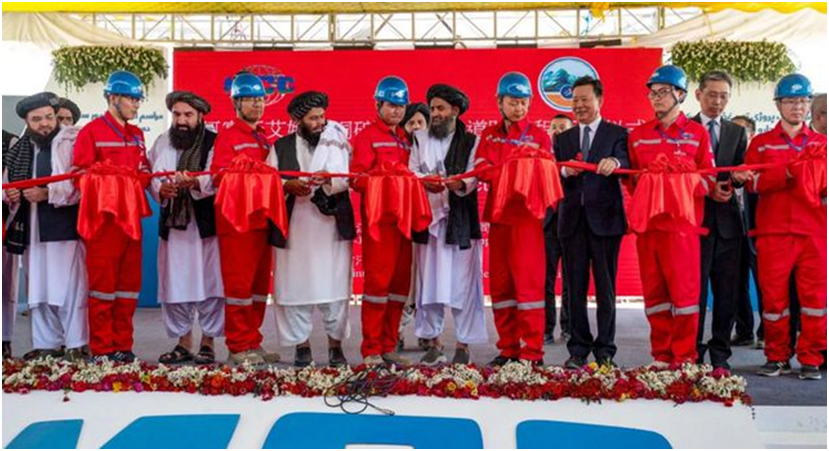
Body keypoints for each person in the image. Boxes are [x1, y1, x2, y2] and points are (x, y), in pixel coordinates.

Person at [627, 65, 716, 367]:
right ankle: (662, 357)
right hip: (649, 230)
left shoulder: (697, 134)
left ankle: (685, 356)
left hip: (682, 230)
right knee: (655, 297)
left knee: (685, 297)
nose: (656, 97)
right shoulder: (638, 136)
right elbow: (631, 182)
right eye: (653, 93)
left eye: (663, 92)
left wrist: (682, 180)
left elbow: (709, 181)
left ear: (681, 95)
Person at [747, 74, 827, 381]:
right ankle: (777, 356)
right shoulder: (760, 144)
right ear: (778, 105)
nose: (797, 107)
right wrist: (787, 175)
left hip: (815, 234)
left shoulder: (822, 144)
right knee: (774, 301)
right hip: (774, 233)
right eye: (790, 101)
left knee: (815, 301)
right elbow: (751, 183)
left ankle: (811, 358)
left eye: (803, 101)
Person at [475, 72, 553, 367]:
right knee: (502, 286)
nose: (518, 108)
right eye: (513, 102)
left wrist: (506, 169)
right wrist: (515, 169)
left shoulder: (539, 136)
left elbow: (544, 174)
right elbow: (482, 169)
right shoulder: (489, 134)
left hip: (527, 220)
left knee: (529, 286)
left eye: (523, 102)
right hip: (499, 218)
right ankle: (508, 348)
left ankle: (532, 352)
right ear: (500, 102)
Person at [3, 92, 88, 363]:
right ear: (27, 122)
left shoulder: (71, 142)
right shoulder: (19, 149)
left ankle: (75, 344)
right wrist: (11, 194)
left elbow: (81, 184)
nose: (45, 124)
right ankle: (46, 344)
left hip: (65, 229)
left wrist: (47, 192)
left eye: (49, 117)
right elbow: (7, 184)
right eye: (37, 119)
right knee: (38, 288)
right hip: (31, 229)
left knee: (70, 288)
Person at [73, 70, 151, 363]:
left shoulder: (137, 134)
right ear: (113, 97)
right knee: (103, 288)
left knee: (128, 287)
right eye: (132, 99)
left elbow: (144, 170)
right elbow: (79, 177)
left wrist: (139, 179)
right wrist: (112, 183)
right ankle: (102, 348)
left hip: (132, 221)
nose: (136, 105)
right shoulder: (91, 132)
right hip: (104, 223)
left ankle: (123, 345)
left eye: (138, 100)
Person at [272, 91, 354, 368]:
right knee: (295, 288)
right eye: (313, 118)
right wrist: (287, 185)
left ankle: (335, 346)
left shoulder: (338, 142)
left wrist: (329, 181)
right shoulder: (280, 147)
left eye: (322, 117)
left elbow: (349, 177)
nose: (320, 123)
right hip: (294, 230)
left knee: (335, 288)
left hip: (331, 228)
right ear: (299, 121)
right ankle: (302, 346)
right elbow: (267, 181)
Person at [410, 84, 488, 366]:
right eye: (432, 109)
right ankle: (433, 343)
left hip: (460, 220)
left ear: (455, 110)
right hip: (428, 220)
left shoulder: (471, 141)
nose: (435, 114)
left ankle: (463, 345)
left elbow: (474, 174)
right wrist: (424, 181)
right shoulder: (419, 137)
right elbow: (412, 169)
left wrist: (460, 184)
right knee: (428, 284)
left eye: (440, 108)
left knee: (463, 285)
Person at [555, 76, 629, 369]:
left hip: (606, 221)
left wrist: (616, 163)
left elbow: (625, 160)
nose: (579, 105)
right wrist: (564, 172)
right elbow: (552, 170)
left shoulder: (617, 133)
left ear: (600, 101)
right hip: (572, 221)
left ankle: (605, 350)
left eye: (585, 99)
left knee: (605, 289)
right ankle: (577, 349)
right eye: (575, 100)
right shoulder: (564, 138)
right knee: (574, 289)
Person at [149, 91, 225, 366]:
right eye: (177, 114)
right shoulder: (162, 141)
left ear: (200, 116)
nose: (181, 120)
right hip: (173, 225)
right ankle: (183, 342)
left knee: (210, 283)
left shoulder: (214, 141)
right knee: (175, 283)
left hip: (205, 225)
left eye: (188, 115)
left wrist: (194, 183)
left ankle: (208, 342)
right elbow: (151, 175)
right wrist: (161, 189)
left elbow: (218, 177)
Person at [210, 73, 281, 366]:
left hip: (262, 222)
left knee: (258, 288)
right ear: (236, 103)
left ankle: (253, 340)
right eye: (250, 99)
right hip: (237, 224)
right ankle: (238, 345)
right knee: (239, 287)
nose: (257, 104)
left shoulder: (263, 138)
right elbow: (218, 177)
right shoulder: (228, 137)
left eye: (260, 99)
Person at [351, 76, 418, 367]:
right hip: (380, 224)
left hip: (405, 223)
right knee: (378, 287)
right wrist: (388, 180)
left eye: (401, 106)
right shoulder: (367, 136)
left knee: (399, 287)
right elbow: (357, 179)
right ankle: (371, 350)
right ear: (378, 105)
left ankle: (389, 346)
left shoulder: (406, 138)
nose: (397, 111)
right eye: (391, 105)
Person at [691, 71, 749, 370]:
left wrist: (738, 178)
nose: (717, 101)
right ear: (698, 94)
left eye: (723, 96)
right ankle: (692, 351)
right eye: (712, 94)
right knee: (694, 293)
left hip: (728, 224)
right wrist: (706, 188)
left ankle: (720, 353)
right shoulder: (685, 129)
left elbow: (741, 170)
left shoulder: (736, 132)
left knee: (726, 293)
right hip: (695, 222)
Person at [545, 114, 573, 345]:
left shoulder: (578, 156)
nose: (557, 131)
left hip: (572, 223)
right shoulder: (541, 155)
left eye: (562, 128)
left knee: (571, 280)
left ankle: (569, 328)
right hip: (547, 224)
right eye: (553, 127)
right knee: (545, 279)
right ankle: (545, 329)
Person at [2, 130, 19, 360]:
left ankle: (4, 339)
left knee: (6, 286)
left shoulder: (10, 142)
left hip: (5, 223)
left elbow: (14, 185)